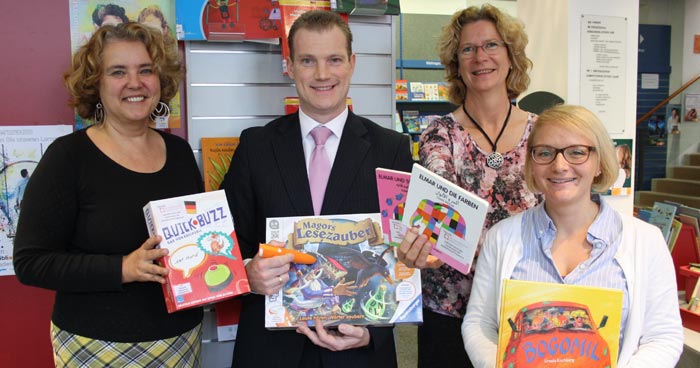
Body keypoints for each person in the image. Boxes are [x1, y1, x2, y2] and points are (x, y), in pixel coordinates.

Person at [220, 10, 412, 368]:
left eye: (334, 60)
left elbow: (404, 256)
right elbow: (227, 241)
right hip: (271, 350)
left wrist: (374, 333)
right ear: (289, 66)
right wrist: (248, 272)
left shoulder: (392, 150)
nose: (322, 74)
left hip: (358, 350)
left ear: (352, 64)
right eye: (308, 61)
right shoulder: (256, 146)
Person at [13, 23, 204, 367]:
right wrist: (122, 268)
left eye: (146, 70)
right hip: (95, 344)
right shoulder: (69, 157)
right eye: (118, 72)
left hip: (180, 341)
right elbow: (31, 263)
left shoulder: (179, 153)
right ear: (96, 84)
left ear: (160, 79)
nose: (135, 82)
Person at [462, 105, 684, 367]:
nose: (559, 165)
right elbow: (479, 323)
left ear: (599, 163)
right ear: (532, 163)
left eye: (577, 152)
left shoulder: (646, 241)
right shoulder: (501, 238)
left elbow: (663, 336)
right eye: (545, 153)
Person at [396, 5, 542, 367]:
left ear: (511, 56)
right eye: (468, 49)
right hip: (449, 312)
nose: (481, 57)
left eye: (492, 45)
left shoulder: (542, 132)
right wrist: (417, 245)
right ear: (456, 63)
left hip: (525, 309)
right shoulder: (440, 134)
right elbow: (435, 215)